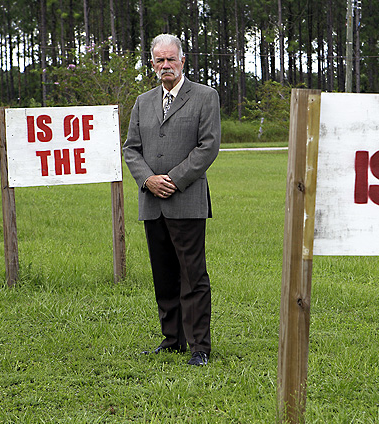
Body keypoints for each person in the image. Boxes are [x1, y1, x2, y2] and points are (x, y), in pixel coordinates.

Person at [123, 34, 221, 366]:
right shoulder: (143, 102)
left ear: (182, 60)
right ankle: (173, 339)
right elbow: (131, 149)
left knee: (192, 275)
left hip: (187, 200)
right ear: (152, 64)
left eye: (171, 59)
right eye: (159, 60)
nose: (166, 65)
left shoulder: (205, 96)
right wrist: (147, 179)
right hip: (152, 202)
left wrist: (173, 180)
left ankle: (199, 347)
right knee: (163, 274)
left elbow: (208, 146)